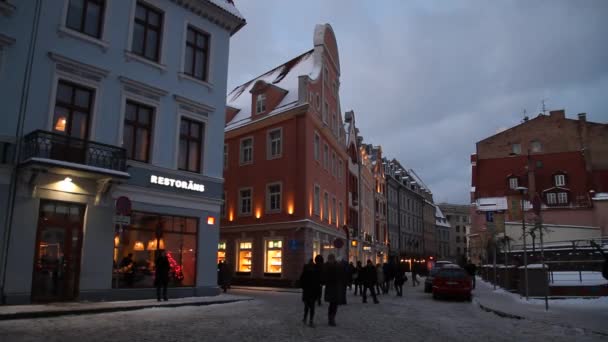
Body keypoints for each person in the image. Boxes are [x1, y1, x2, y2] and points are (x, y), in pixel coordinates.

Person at [322, 254, 347, 326]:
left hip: (336, 287)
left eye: (332, 259)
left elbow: (341, 275)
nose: (331, 260)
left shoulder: (338, 266)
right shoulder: (326, 266)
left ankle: (332, 318)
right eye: (330, 259)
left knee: (335, 304)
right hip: (330, 287)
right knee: (331, 304)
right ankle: (331, 319)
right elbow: (324, 276)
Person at [300, 259, 321, 327]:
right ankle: (311, 320)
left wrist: (303, 287)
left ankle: (305, 318)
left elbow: (302, 280)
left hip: (307, 291)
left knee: (306, 306)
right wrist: (318, 293)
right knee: (312, 307)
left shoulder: (305, 270)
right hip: (313, 291)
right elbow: (318, 282)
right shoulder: (317, 271)